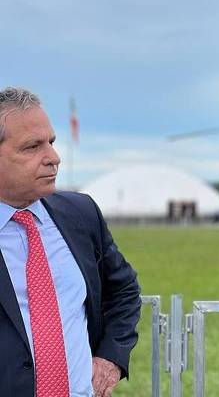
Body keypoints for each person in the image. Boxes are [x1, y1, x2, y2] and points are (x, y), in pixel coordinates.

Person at [0, 87, 142, 397]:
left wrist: (110, 357)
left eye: (50, 142)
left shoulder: (80, 213)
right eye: (32, 147)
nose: (53, 158)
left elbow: (124, 291)